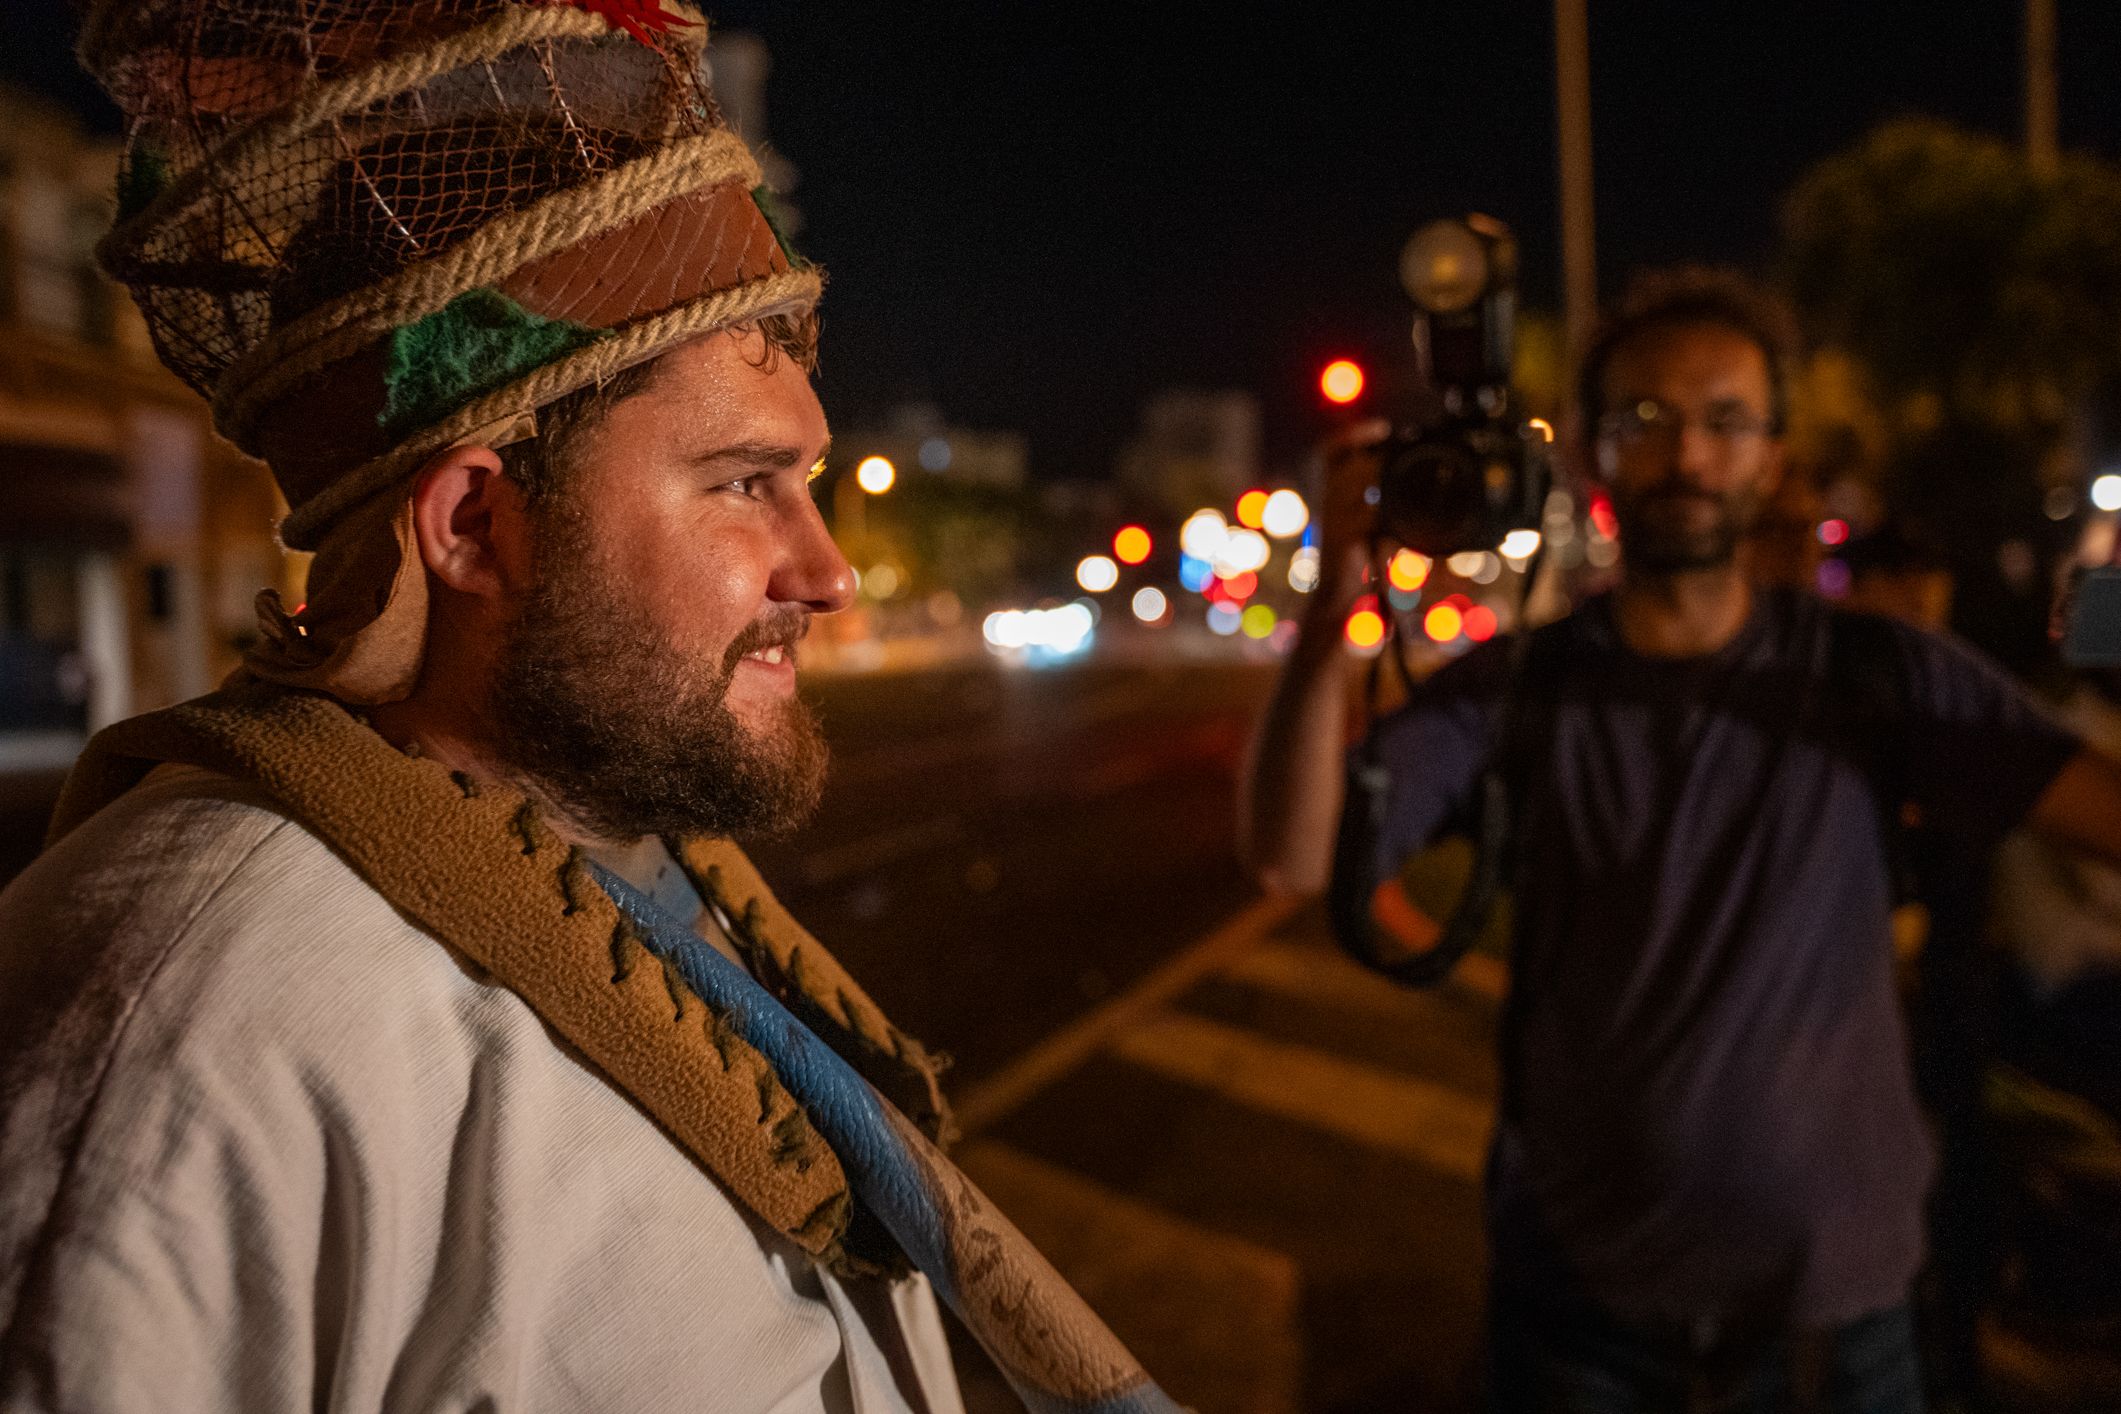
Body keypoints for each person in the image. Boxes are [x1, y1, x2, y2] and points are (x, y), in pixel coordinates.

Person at [0, 5, 1180, 1412]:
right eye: (745, 483)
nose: (828, 574)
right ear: (478, 525)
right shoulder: (190, 1019)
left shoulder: (622, 865)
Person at [1241, 269, 2121, 1412]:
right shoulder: (1519, 689)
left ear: (1771, 454)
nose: (1689, 458)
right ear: (1593, 455)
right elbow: (1295, 857)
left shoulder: (1877, 672)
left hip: (1837, 1331)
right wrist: (1331, 603)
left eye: (1725, 421)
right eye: (1648, 420)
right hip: (1581, 1329)